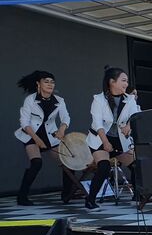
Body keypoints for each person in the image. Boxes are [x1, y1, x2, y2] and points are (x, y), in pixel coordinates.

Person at [85, 67, 140, 210]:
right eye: (123, 80)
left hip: (120, 140)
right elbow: (97, 123)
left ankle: (139, 194)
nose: (126, 84)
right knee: (103, 167)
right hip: (100, 139)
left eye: (127, 81)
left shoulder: (130, 99)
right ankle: (90, 200)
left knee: (137, 165)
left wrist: (128, 125)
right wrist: (106, 142)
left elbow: (135, 116)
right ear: (112, 82)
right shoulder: (98, 99)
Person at [14, 71, 71, 206]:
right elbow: (25, 122)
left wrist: (62, 129)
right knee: (36, 163)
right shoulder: (30, 100)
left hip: (50, 135)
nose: (50, 84)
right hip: (31, 135)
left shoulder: (59, 100)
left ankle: (67, 194)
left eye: (52, 82)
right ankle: (22, 196)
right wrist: (37, 140)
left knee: (68, 163)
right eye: (46, 81)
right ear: (38, 84)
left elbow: (66, 118)